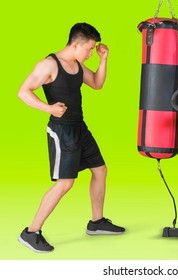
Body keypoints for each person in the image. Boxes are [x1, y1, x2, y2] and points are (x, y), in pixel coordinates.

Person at [17, 22, 125, 253]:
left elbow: (96, 84)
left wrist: (103, 59)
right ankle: (31, 232)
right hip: (61, 130)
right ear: (76, 44)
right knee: (65, 184)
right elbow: (23, 91)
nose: (89, 54)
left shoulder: (76, 64)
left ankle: (96, 223)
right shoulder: (49, 65)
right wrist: (49, 109)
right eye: (89, 49)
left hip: (80, 127)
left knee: (100, 170)